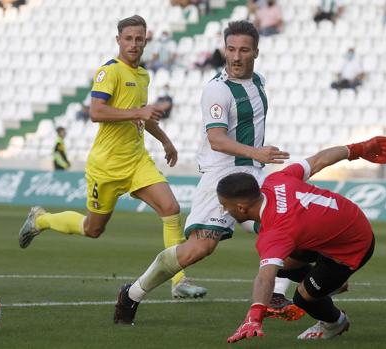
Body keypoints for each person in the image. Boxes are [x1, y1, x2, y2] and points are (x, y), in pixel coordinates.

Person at [114, 21, 298, 326]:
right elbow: (217, 139)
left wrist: (257, 159)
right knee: (199, 248)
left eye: (244, 50)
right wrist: (258, 153)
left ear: (256, 52)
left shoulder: (259, 81)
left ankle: (277, 292)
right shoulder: (217, 89)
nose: (236, 56)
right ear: (224, 50)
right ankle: (132, 294)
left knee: (289, 222)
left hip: (255, 174)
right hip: (222, 176)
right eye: (231, 49)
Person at [17, 15, 205, 299]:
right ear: (118, 40)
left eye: (139, 39)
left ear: (146, 40)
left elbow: (143, 113)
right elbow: (96, 112)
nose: (133, 44)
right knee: (92, 229)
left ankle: (178, 281)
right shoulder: (109, 71)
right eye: (128, 39)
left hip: (137, 161)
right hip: (105, 166)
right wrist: (138, 113)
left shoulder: (143, 75)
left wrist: (166, 141)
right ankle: (40, 219)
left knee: (171, 209)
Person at [223, 136, 386, 343]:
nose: (224, 209)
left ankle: (335, 323)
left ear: (241, 207)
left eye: (226, 205)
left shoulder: (275, 233)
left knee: (303, 298)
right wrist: (357, 149)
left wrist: (254, 315)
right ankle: (332, 284)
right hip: (345, 219)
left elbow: (264, 278)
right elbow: (319, 160)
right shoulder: (276, 180)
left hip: (352, 246)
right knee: (283, 264)